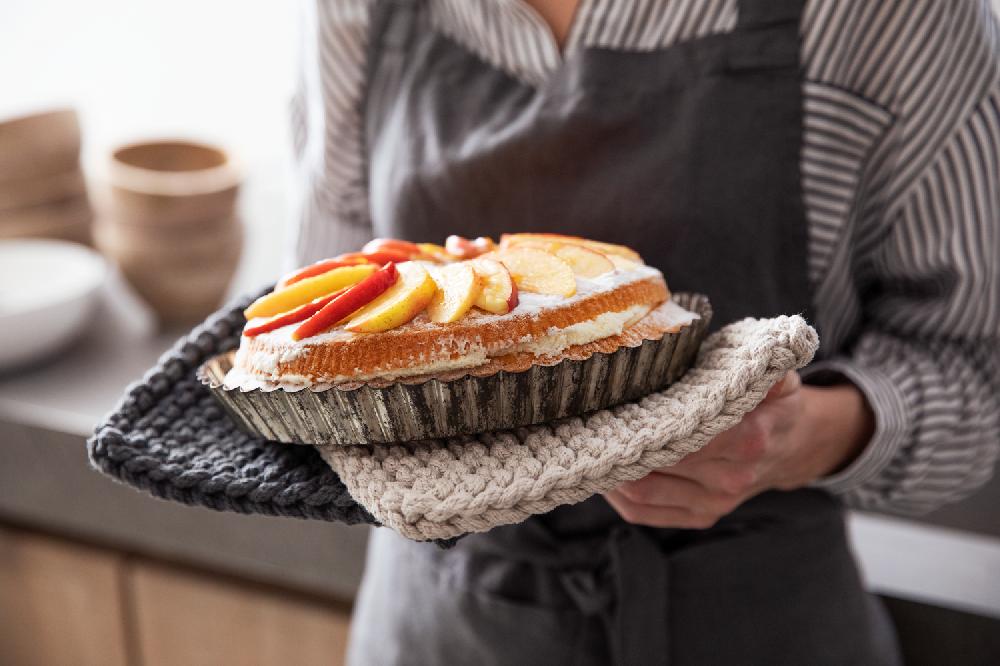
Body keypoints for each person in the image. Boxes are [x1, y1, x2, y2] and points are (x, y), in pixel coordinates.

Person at [289, 1, 1000, 663]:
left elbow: (977, 372)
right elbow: (327, 329)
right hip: (437, 624)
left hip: (754, 621)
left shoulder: (889, 18)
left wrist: (800, 436)